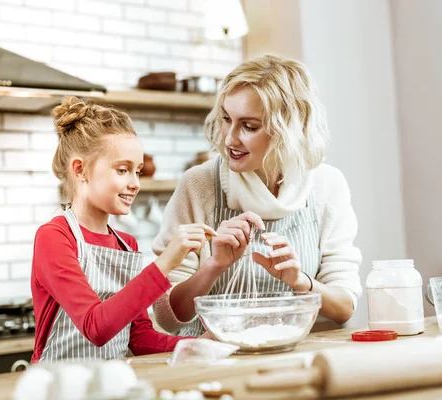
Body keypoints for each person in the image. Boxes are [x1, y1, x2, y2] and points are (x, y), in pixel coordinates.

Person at [152, 54, 363, 336]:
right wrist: (213, 266)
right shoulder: (199, 185)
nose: (229, 138)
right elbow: (168, 315)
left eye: (249, 126)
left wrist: (300, 282)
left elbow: (344, 306)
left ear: (288, 128)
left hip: (300, 356)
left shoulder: (326, 186)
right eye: (227, 119)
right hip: (214, 361)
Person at [31, 96, 215, 362]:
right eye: (122, 170)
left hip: (110, 384)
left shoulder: (125, 244)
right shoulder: (54, 237)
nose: (135, 183)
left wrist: (203, 342)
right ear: (80, 169)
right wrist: (164, 264)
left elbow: (140, 339)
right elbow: (96, 327)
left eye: (138, 171)